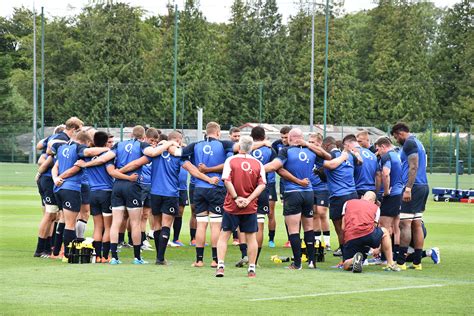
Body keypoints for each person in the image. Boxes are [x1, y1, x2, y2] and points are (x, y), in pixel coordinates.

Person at [119, 131, 219, 265]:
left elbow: (136, 163)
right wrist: (209, 179)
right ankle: (160, 258)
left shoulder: (156, 153)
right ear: (176, 141)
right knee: (166, 225)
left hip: (155, 193)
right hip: (170, 194)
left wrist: (118, 172)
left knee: (156, 225)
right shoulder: (179, 156)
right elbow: (193, 171)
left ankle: (158, 257)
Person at [80, 125, 151, 264]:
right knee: (135, 223)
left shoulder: (118, 146)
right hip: (132, 185)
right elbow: (140, 161)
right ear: (143, 137)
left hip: (116, 186)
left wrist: (85, 165)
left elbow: (103, 161)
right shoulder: (142, 145)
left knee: (115, 223)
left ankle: (113, 257)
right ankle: (137, 258)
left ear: (131, 135)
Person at [265, 128, 334, 270]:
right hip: (309, 193)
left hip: (292, 192)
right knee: (309, 228)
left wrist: (257, 168)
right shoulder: (312, 151)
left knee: (293, 230)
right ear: (302, 138)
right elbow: (328, 157)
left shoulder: (286, 151)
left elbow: (275, 166)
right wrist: (309, 145)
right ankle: (312, 262)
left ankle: (297, 263)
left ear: (290, 139)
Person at [177, 122, 237, 267]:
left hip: (199, 188)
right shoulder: (224, 145)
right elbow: (229, 162)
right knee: (215, 225)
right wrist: (210, 170)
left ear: (206, 132)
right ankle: (215, 260)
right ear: (217, 132)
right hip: (216, 188)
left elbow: (181, 158)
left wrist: (199, 172)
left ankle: (199, 260)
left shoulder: (195, 146)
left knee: (201, 224)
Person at [51, 131, 110, 261]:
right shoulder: (79, 148)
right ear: (87, 142)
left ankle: (57, 250)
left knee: (64, 219)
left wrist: (55, 178)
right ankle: (68, 255)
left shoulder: (61, 148)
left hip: (58, 189)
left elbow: (55, 166)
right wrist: (107, 149)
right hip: (71, 188)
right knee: (70, 224)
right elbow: (78, 165)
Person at [216, 136, 266, 278]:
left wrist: (237, 198)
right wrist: (248, 200)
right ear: (251, 148)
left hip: (232, 205)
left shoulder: (230, 160)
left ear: (239, 146)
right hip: (249, 207)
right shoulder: (258, 164)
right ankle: (251, 268)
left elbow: (227, 180)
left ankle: (220, 266)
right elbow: (262, 185)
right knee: (251, 238)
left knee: (224, 235)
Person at [34, 118, 84, 258]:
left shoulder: (57, 137)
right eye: (79, 129)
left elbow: (41, 146)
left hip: (53, 180)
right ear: (74, 129)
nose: (81, 132)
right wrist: (40, 173)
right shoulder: (62, 140)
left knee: (55, 215)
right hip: (50, 179)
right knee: (50, 214)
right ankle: (40, 250)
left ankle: (49, 248)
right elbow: (47, 156)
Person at [391, 122, 429, 270]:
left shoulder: (409, 143)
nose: (396, 140)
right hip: (423, 185)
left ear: (400, 133)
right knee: (416, 223)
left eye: (395, 137)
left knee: (405, 224)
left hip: (413, 187)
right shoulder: (418, 142)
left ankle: (400, 262)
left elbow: (414, 166)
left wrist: (408, 188)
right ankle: (417, 262)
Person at [341, 191, 400, 273]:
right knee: (385, 232)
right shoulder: (376, 208)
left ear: (362, 197)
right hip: (367, 234)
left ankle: (353, 260)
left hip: (351, 236)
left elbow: (343, 227)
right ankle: (390, 263)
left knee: (345, 264)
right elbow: (374, 227)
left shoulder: (347, 203)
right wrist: (375, 248)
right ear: (373, 201)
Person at [321, 136, 359, 257]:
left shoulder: (331, 157)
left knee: (340, 229)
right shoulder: (351, 156)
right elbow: (360, 161)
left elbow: (329, 165)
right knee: (352, 227)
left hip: (338, 196)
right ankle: (356, 254)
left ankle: (346, 257)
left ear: (326, 146)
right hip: (353, 195)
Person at [374, 136, 403, 263]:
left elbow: (385, 174)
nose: (378, 152)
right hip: (399, 194)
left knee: (384, 227)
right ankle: (395, 255)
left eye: (378, 149)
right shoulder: (397, 155)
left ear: (383, 146)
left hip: (391, 195)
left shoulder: (386, 157)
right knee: (396, 227)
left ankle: (385, 258)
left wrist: (385, 192)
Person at [308, 133, 331, 250]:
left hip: (322, 187)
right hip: (311, 187)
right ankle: (317, 240)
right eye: (309, 142)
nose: (310, 144)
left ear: (319, 143)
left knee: (322, 212)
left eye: (313, 142)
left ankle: (327, 241)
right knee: (314, 213)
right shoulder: (307, 153)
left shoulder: (322, 154)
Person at [271, 126, 291, 247]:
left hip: (297, 182)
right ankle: (290, 239)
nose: (284, 140)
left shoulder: (297, 146)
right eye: (282, 137)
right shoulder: (276, 145)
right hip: (284, 183)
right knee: (287, 211)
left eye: (286, 137)